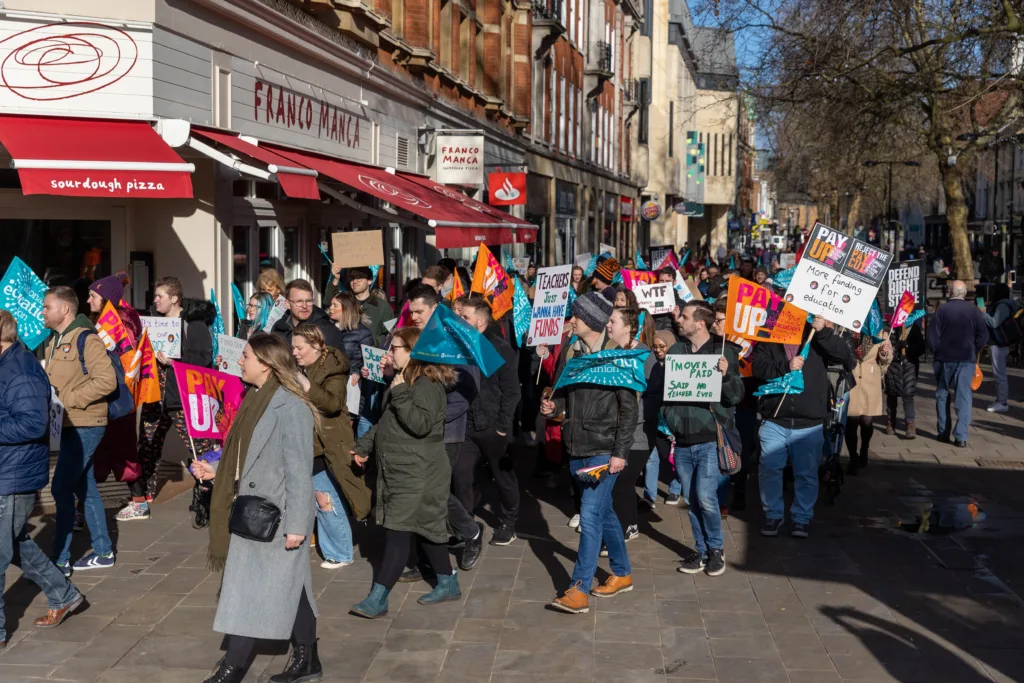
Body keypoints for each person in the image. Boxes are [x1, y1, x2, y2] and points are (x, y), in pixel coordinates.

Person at [195, 333, 319, 683]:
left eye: (246, 356)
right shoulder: (254, 398)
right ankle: (309, 660)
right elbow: (247, 456)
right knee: (294, 587)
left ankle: (232, 670)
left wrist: (298, 524)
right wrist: (218, 471)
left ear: (265, 363)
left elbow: (298, 470)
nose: (240, 361)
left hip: (274, 515)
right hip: (251, 507)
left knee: (249, 590)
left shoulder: (290, 406)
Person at [350, 326, 462, 618]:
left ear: (413, 353)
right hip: (404, 468)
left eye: (395, 348)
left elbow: (420, 425)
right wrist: (364, 445)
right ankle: (448, 582)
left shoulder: (426, 385)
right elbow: (388, 423)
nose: (388, 354)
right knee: (427, 530)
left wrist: (399, 392)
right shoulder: (403, 382)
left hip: (419, 471)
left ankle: (378, 598)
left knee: (398, 532)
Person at [542, 291, 639, 614]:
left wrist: (620, 452)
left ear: (592, 322)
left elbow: (629, 410)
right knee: (605, 512)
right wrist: (553, 406)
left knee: (591, 514)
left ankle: (579, 588)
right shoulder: (573, 353)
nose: (571, 321)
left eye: (577, 316)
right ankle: (622, 574)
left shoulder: (617, 356)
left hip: (605, 448)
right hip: (577, 444)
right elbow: (567, 399)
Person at [0, 310, 85, 636]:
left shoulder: (20, 370)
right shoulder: (8, 364)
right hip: (8, 469)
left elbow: (31, 424)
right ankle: (65, 595)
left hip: (13, 474)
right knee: (15, 542)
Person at [393, 286, 482, 578]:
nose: (414, 316)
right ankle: (426, 558)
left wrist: (435, 416)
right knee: (421, 494)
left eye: (419, 311)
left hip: (445, 432)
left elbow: (468, 392)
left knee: (435, 492)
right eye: (412, 311)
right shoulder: (414, 335)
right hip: (416, 428)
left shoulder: (455, 339)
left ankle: (470, 533)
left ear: (435, 307)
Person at [752, 315, 855, 538]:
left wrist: (824, 332)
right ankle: (773, 515)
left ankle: (801, 518)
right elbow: (758, 367)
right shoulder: (769, 335)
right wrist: (785, 366)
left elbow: (847, 359)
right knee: (769, 469)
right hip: (775, 418)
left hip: (809, 421)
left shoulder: (816, 335)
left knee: (806, 473)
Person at [662, 302, 743, 576]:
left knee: (706, 497)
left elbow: (734, 398)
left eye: (684, 316)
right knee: (691, 498)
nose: (679, 320)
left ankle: (716, 549)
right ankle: (702, 550)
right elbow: (667, 392)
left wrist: (726, 374)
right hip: (682, 440)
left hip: (710, 439)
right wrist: (670, 418)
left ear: (700, 323)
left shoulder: (724, 352)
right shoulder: (676, 351)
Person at [43, 286, 117, 576]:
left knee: (60, 487)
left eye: (47, 306)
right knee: (85, 488)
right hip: (70, 425)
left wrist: (69, 400)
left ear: (65, 309)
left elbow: (106, 381)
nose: (43, 312)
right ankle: (103, 551)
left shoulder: (86, 338)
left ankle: (60, 560)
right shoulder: (54, 340)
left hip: (86, 424)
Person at [134, 277, 218, 516]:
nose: (155, 300)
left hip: (182, 398)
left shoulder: (194, 324)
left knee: (198, 448)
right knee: (148, 447)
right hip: (154, 396)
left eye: (160, 296)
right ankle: (144, 496)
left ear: (174, 299)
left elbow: (204, 360)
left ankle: (206, 494)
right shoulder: (153, 323)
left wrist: (175, 362)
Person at [293, 325, 371, 570]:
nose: (294, 352)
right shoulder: (301, 366)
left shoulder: (333, 370)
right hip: (307, 440)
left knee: (325, 497)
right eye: (293, 347)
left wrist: (306, 384)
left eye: (299, 347)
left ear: (316, 347)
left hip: (327, 442)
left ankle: (340, 551)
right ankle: (332, 545)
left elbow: (334, 403)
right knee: (322, 495)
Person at [458, 299, 522, 546]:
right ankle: (466, 523)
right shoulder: (458, 347)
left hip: (492, 425)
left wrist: (502, 426)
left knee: (502, 476)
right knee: (460, 474)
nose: (460, 321)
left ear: (481, 323)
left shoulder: (498, 349)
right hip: (466, 425)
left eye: (465, 317)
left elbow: (511, 391)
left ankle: (509, 522)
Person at [86, 274, 143, 519]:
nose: (88, 301)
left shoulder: (121, 322)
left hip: (118, 398)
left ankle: (139, 503)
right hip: (105, 396)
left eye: (93, 296)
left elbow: (126, 358)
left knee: (120, 449)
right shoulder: (103, 321)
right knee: (99, 450)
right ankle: (83, 508)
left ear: (106, 299)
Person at [605, 307, 657, 541]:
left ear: (628, 327)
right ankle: (631, 522)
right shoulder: (610, 351)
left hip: (638, 432)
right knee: (618, 484)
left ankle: (623, 528)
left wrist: (633, 420)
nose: (608, 325)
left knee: (622, 483)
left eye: (612, 321)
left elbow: (652, 396)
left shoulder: (644, 355)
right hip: (614, 430)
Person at [928, 280, 989, 447]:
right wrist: (973, 349)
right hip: (966, 358)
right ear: (964, 293)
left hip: (945, 358)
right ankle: (961, 436)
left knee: (943, 394)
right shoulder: (974, 311)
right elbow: (983, 335)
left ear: (950, 292)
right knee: (963, 396)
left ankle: (943, 432)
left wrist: (938, 351)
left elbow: (932, 336)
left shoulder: (942, 310)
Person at [327, 291, 375, 436]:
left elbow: (370, 361)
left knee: (345, 430)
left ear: (346, 308)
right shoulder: (328, 329)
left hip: (352, 387)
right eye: (331, 304)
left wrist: (358, 370)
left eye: (335, 305)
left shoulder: (363, 333)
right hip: (329, 385)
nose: (330, 308)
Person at [643, 330, 682, 506]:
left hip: (671, 419)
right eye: (655, 346)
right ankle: (649, 495)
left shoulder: (679, 366)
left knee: (672, 457)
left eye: (662, 346)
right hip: (654, 417)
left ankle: (675, 489)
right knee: (652, 457)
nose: (658, 350)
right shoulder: (651, 364)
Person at [845, 333, 892, 475]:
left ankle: (864, 447)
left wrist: (885, 353)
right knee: (851, 420)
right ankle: (853, 457)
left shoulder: (879, 333)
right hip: (851, 379)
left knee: (866, 421)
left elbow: (887, 358)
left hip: (869, 380)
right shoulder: (847, 328)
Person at [324, 267, 395, 345]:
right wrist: (336, 278)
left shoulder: (382, 306)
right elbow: (328, 303)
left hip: (371, 353)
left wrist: (376, 343)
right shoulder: (346, 301)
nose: (354, 281)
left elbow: (390, 332)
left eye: (359, 278)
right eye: (352, 278)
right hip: (346, 350)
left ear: (369, 281)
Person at [272, 279, 344, 351]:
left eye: (308, 301)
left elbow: (337, 360)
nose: (304, 306)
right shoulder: (278, 329)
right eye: (299, 301)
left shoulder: (328, 331)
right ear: (287, 304)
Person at [884, 317, 925, 438]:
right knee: (891, 393)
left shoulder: (913, 328)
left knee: (908, 393)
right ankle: (891, 422)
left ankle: (910, 423)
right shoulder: (888, 328)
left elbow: (921, 348)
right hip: (892, 364)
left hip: (909, 365)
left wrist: (907, 347)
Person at [983, 283, 1019, 413]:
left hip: (999, 343)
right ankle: (1000, 399)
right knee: (998, 373)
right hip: (999, 342)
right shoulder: (1004, 304)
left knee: (999, 373)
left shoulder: (1002, 306)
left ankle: (1002, 402)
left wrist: (983, 314)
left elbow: (994, 322)